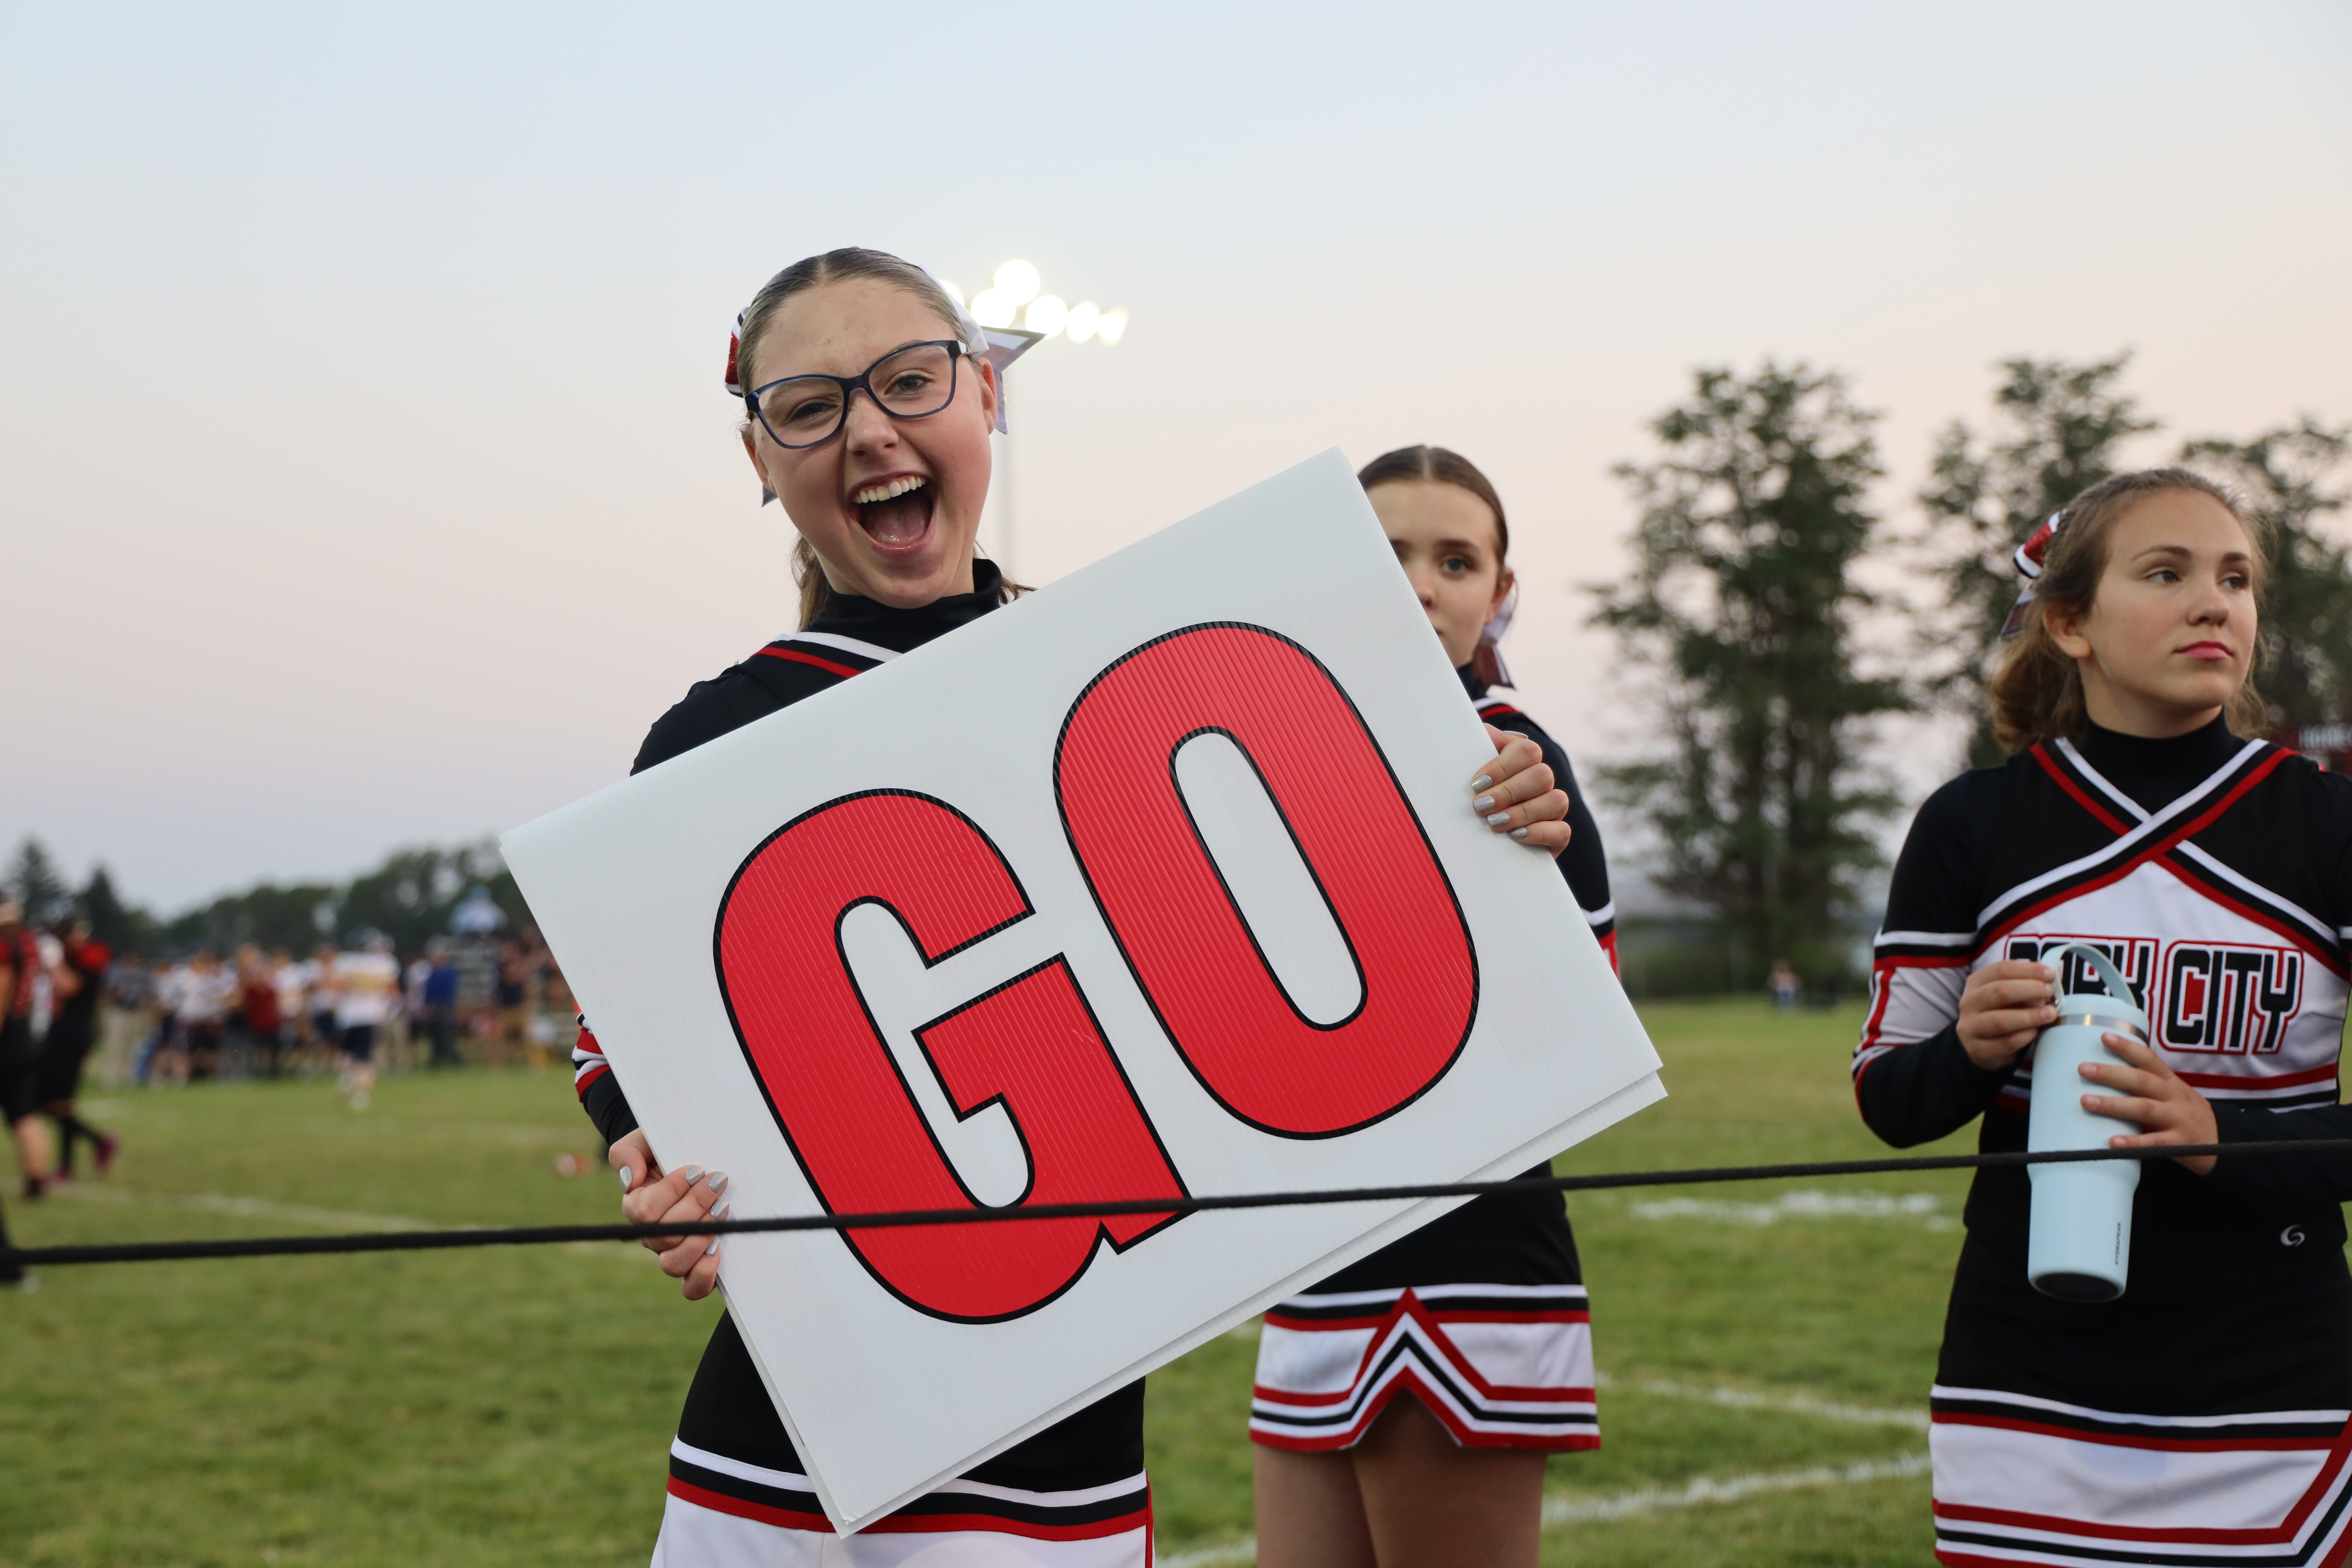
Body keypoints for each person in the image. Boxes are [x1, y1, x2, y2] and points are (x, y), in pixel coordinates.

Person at [572, 248, 1576, 1565]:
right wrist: (650, 1151)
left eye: (909, 380)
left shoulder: (1122, 656)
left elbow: (1303, 935)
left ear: (985, 396)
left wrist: (1492, 820)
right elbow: (617, 1037)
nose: (870, 428)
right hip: (789, 1459)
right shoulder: (706, 741)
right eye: (811, 405)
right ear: (759, 458)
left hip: (1070, 1452)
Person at [1853, 468, 2352, 1564]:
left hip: (2274, 1373)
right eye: (2164, 573)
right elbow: (1887, 1101)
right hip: (2027, 1370)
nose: (2212, 602)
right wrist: (1968, 1051)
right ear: (2069, 620)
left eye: (2233, 578)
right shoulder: (1970, 823)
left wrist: (2218, 1135)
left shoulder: (2325, 823)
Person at [1248, 446, 1615, 1568]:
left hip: (1463, 1261)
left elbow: (1581, 1045)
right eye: (1385, 551)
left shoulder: (1513, 764)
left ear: (1498, 594)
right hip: (1318, 1254)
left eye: (1455, 560)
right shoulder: (1268, 750)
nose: (1418, 584)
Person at [40, 919, 118, 1179]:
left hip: (73, 1035)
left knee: (60, 1103)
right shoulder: (71, 955)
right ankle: (94, 1146)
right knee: (53, 1103)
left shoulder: (90, 955)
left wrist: (53, 963)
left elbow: (70, 986)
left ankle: (71, 1164)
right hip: (59, 1033)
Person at [0, 897, 55, 1199]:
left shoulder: (6, 949)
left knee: (24, 1116)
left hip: (6, 1036)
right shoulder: (28, 945)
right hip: (23, 1032)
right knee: (24, 1114)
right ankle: (37, 1178)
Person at [334, 933, 398, 1111]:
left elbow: (338, 987)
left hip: (349, 1016)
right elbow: (390, 990)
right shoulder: (385, 963)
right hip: (371, 1015)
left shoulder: (346, 962)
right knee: (364, 1057)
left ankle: (354, 1086)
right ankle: (360, 1093)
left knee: (349, 1055)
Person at [420, 941, 462, 1069]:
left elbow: (447, 991)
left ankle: (456, 1061)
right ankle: (436, 1062)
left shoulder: (449, 972)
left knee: (445, 1035)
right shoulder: (433, 972)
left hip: (444, 1007)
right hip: (434, 1008)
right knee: (435, 1036)